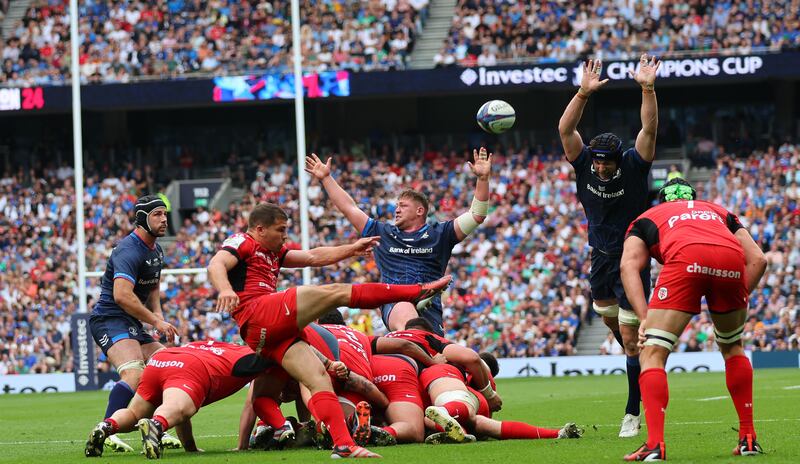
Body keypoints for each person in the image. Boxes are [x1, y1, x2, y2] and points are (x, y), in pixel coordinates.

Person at [207, 202, 451, 458]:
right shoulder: (243, 241)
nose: (285, 236)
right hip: (258, 311)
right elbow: (216, 264)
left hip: (265, 334)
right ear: (259, 229)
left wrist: (351, 250)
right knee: (335, 292)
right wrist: (224, 289)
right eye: (280, 230)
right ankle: (417, 290)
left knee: (317, 379)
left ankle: (344, 445)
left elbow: (313, 257)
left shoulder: (274, 252)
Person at [620, 178, 767, 460]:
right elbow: (759, 259)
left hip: (685, 258)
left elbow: (629, 265)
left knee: (651, 353)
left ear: (662, 199)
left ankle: (654, 445)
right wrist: (734, 298)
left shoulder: (647, 217)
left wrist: (644, 318)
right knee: (732, 346)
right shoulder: (718, 211)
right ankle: (748, 438)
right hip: (730, 259)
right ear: (695, 197)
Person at [557, 54, 660, 438]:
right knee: (604, 314)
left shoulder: (634, 165)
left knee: (630, 340)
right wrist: (582, 93)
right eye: (597, 163)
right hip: (598, 258)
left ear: (617, 160)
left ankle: (633, 412)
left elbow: (649, 128)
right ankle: (639, 351)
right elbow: (565, 129)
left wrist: (647, 89)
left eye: (605, 164)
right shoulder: (583, 164)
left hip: (631, 261)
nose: (599, 168)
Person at [304, 146, 493, 335]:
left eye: (403, 206)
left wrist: (483, 179)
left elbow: (477, 215)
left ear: (420, 211)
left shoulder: (440, 233)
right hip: (394, 304)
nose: (397, 210)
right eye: (396, 206)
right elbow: (349, 208)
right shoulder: (382, 232)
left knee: (448, 355)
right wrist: (326, 178)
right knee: (409, 321)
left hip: (430, 311)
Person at [88, 195, 181, 453]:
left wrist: (159, 319)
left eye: (165, 214)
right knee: (135, 374)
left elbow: (153, 288)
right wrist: (154, 321)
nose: (164, 219)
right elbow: (122, 295)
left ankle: (155, 428)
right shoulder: (128, 249)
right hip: (109, 319)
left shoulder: (156, 250)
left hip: (132, 322)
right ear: (142, 218)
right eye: (157, 214)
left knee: (169, 368)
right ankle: (107, 430)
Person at [84, 340, 272, 458]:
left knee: (134, 413)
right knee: (177, 407)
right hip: (191, 367)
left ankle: (107, 426)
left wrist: (190, 448)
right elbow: (251, 403)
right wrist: (242, 446)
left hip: (163, 359)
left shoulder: (211, 344)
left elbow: (182, 420)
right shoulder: (250, 356)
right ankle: (156, 425)